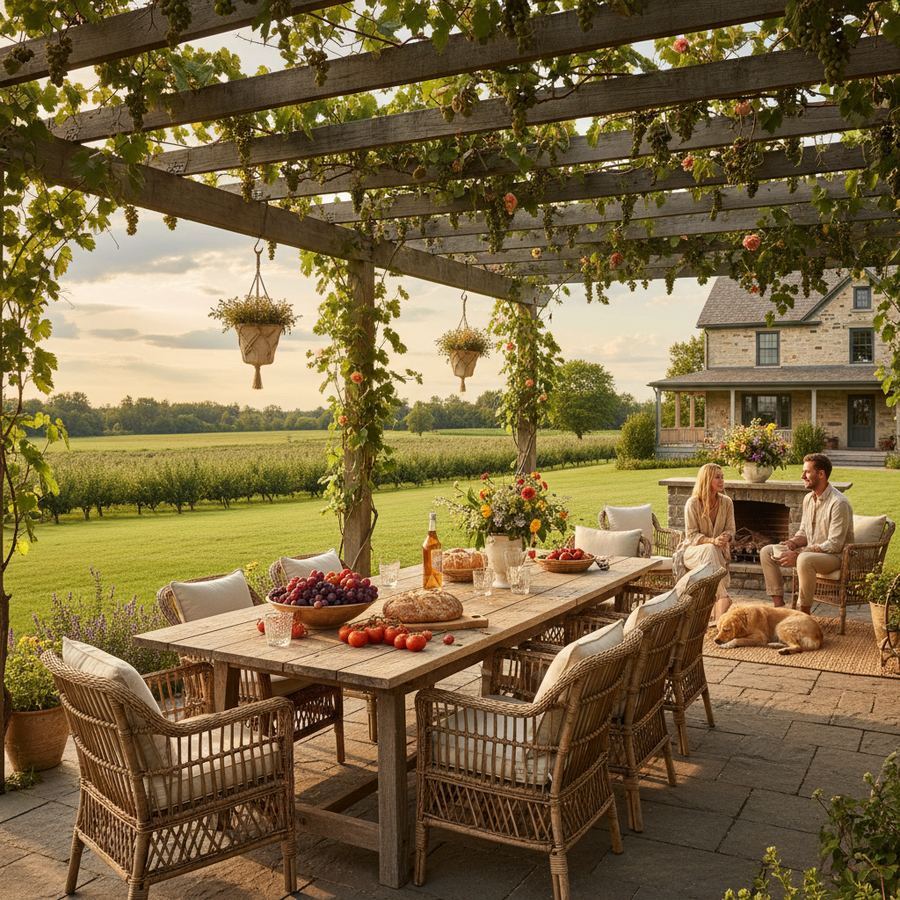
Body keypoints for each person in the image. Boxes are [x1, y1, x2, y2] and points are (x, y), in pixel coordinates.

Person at [759, 452, 853, 616]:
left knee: (803, 559)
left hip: (836, 557)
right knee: (767, 551)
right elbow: (804, 532)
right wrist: (792, 543)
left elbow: (835, 544)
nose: (802, 476)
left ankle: (803, 614)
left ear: (821, 474)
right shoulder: (808, 499)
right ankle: (779, 608)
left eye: (807, 472)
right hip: (812, 552)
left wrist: (799, 553)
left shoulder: (839, 503)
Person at [675, 462, 735, 624]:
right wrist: (713, 541)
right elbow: (692, 535)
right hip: (692, 552)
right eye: (717, 477)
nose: (722, 480)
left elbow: (731, 530)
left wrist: (725, 537)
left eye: (722, 477)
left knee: (712, 551)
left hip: (716, 553)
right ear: (706, 479)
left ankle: (718, 614)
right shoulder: (693, 503)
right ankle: (723, 598)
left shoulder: (727, 502)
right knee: (710, 549)